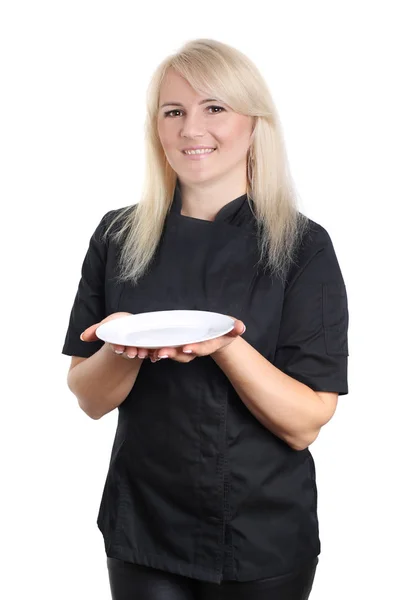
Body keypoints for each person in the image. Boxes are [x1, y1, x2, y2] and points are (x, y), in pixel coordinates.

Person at [62, 38, 349, 600]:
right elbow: (89, 398)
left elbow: (306, 421)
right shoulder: (117, 236)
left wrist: (225, 344)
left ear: (253, 123)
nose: (192, 128)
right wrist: (121, 347)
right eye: (174, 112)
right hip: (143, 524)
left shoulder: (303, 246)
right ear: (158, 129)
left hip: (262, 529)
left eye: (214, 107)